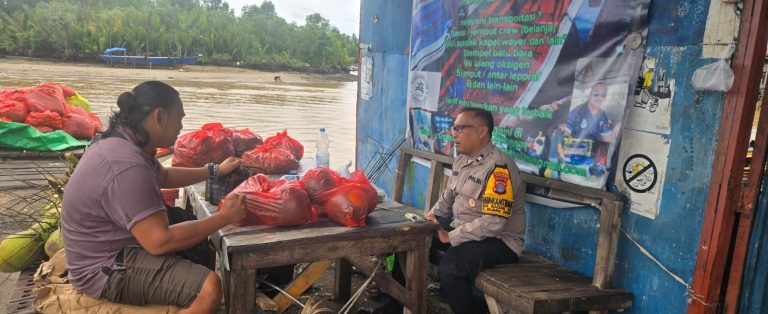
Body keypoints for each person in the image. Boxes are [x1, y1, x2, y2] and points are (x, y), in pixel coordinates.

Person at [61, 81, 247, 313]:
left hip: (109, 242)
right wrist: (224, 217)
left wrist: (215, 170)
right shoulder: (127, 166)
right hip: (103, 266)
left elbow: (165, 175)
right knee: (209, 288)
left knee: (196, 237)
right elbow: (160, 241)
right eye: (178, 118)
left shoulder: (126, 141)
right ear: (159, 117)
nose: (181, 126)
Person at [426, 107, 526, 314]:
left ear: (482, 131)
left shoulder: (499, 168)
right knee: (411, 238)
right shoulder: (462, 159)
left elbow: (495, 223)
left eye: (461, 128)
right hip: (465, 229)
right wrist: (431, 217)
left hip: (500, 241)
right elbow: (448, 197)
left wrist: (450, 236)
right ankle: (397, 305)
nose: (454, 133)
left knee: (451, 269)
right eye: (454, 128)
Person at [565, 82, 615, 169]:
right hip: (573, 156)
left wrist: (615, 130)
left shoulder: (603, 116)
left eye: (603, 95)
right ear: (589, 95)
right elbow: (566, 131)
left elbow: (607, 138)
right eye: (596, 93)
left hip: (592, 159)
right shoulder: (577, 111)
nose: (599, 97)